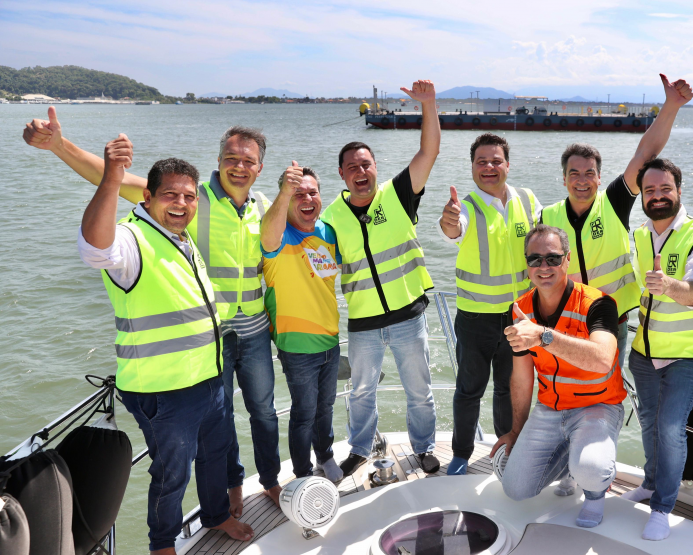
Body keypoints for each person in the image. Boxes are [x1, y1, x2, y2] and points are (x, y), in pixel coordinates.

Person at [22, 113, 281, 511]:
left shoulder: (262, 206)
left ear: (259, 168)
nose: (239, 166)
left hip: (255, 328)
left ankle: (270, 481)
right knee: (222, 421)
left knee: (263, 412)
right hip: (210, 339)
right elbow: (113, 179)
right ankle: (232, 492)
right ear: (219, 160)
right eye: (231, 157)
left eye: (248, 161)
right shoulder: (189, 199)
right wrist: (59, 145)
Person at [78, 134, 253, 554]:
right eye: (170, 195)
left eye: (189, 196)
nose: (181, 203)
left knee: (215, 454)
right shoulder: (132, 239)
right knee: (172, 474)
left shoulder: (180, 237)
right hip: (163, 388)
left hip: (207, 377)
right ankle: (162, 545)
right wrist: (111, 177)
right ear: (148, 197)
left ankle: (216, 515)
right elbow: (96, 249)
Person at [321, 79, 442, 477]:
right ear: (341, 174)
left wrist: (428, 104)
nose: (361, 171)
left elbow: (428, 151)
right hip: (364, 323)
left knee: (420, 394)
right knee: (359, 393)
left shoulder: (398, 194)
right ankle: (358, 449)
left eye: (366, 164)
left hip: (409, 315)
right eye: (352, 167)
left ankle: (423, 448)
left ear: (376, 168)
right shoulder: (329, 218)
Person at [540, 74, 693, 363]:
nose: (582, 180)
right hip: (566, 321)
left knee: (608, 395)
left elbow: (646, 153)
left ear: (599, 178)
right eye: (574, 173)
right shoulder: (547, 217)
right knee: (567, 392)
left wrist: (671, 105)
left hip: (612, 320)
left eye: (589, 173)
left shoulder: (613, 202)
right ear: (563, 179)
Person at [491, 224, 626, 529]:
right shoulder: (519, 311)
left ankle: (593, 492)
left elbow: (603, 360)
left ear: (567, 261)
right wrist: (515, 431)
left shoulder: (598, 304)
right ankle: (571, 459)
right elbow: (522, 380)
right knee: (515, 489)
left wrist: (544, 336)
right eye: (535, 259)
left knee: (591, 470)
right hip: (551, 410)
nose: (544, 267)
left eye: (553, 259)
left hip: (598, 406)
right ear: (527, 266)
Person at [620, 158, 693, 541]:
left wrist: (668, 286)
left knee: (671, 426)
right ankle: (650, 482)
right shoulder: (641, 235)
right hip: (643, 352)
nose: (657, 196)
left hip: (685, 354)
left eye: (665, 189)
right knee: (647, 421)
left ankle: (663, 506)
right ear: (642, 196)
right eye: (650, 191)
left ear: (679, 190)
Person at [438, 133, 542, 475]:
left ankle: (506, 447)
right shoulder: (465, 208)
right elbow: (453, 229)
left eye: (496, 160)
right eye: (481, 161)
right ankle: (460, 454)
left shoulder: (528, 200)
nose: (489, 167)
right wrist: (449, 222)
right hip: (476, 319)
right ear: (472, 167)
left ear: (507, 165)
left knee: (509, 389)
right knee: (469, 390)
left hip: (519, 318)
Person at [260, 162, 344, 483]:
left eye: (313, 192)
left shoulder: (327, 232)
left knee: (326, 408)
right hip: (296, 347)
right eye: (298, 194)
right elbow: (269, 235)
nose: (307, 199)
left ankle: (325, 456)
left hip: (330, 341)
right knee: (303, 415)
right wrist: (285, 191)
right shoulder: (278, 237)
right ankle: (303, 474)